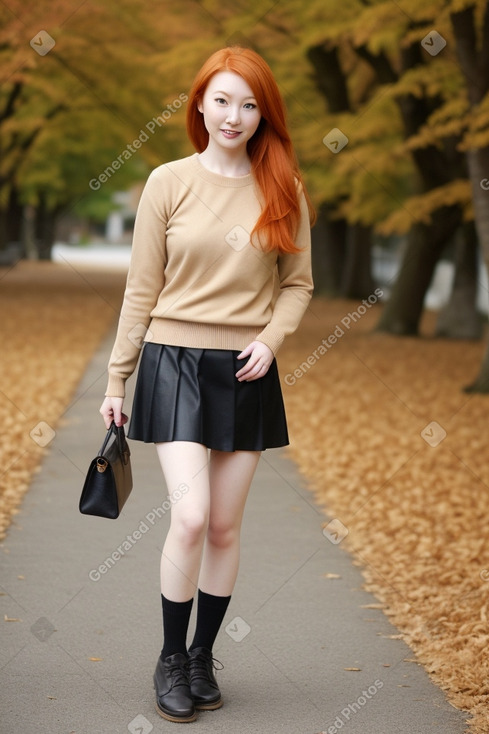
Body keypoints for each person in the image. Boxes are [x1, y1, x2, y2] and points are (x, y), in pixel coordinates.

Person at [100, 45, 315, 723]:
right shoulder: (167, 182)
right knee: (189, 516)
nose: (234, 115)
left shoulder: (283, 187)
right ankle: (169, 660)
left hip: (244, 370)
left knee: (223, 527)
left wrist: (268, 341)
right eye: (222, 100)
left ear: (263, 114)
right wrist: (117, 378)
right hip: (173, 362)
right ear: (198, 104)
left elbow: (298, 285)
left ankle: (201, 657)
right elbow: (141, 289)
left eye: (249, 104)